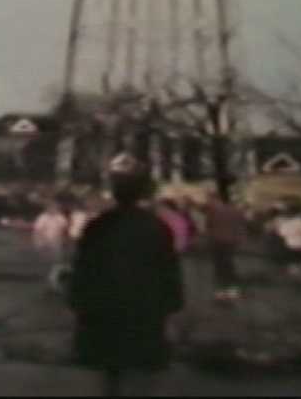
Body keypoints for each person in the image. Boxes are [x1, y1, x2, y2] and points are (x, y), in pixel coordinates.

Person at [68, 165, 184, 397]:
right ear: (141, 194)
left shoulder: (98, 225)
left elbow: (84, 267)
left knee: (108, 368)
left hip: (104, 307)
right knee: (141, 371)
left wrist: (76, 299)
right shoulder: (155, 227)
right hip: (145, 306)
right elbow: (168, 268)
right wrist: (173, 302)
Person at [204, 191, 245, 301]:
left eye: (210, 199)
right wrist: (239, 240)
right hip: (230, 242)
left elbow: (208, 226)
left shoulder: (212, 211)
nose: (209, 201)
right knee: (229, 265)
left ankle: (221, 290)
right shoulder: (235, 210)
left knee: (219, 266)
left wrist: (208, 239)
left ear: (217, 199)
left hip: (217, 241)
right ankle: (232, 290)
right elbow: (240, 226)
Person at [274, 203, 301, 281]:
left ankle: (295, 277)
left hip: (291, 246)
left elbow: (281, 234)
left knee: (293, 264)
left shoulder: (285, 223)